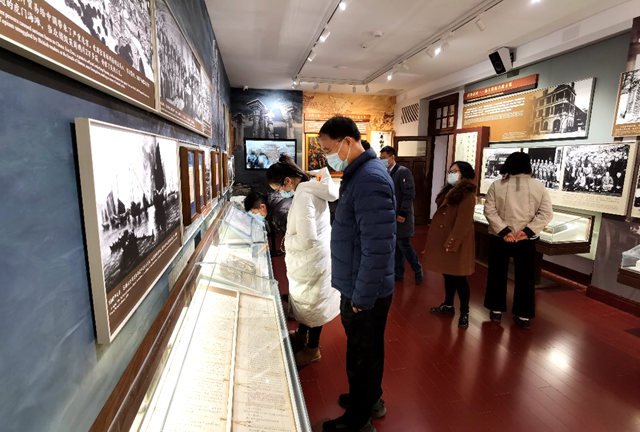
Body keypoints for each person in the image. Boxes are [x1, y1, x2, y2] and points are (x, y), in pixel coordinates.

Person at [319, 117, 396, 432]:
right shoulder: (360, 173)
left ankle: (358, 421)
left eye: (328, 149)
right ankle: (369, 399)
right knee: (367, 349)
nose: (327, 156)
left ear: (347, 142)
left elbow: (377, 248)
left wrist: (362, 297)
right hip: (358, 283)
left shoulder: (369, 179)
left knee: (362, 354)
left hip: (365, 291)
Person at [266, 156, 340, 367]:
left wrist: (287, 241)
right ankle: (302, 334)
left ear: (288, 181)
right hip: (317, 256)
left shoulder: (304, 195)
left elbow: (307, 239)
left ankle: (312, 349)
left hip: (311, 258)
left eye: (279, 189)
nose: (281, 193)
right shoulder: (312, 185)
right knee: (310, 301)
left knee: (312, 304)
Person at [483, 152, 553, 329]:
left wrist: (504, 231)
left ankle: (496, 310)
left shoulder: (497, 185)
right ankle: (523, 315)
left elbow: (489, 210)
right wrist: (527, 232)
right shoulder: (538, 186)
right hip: (525, 239)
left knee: (497, 273)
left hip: (499, 237)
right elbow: (546, 213)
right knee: (526, 277)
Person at [426, 161, 477, 328]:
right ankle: (448, 305)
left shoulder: (467, 195)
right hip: (445, 238)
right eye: (450, 171)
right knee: (448, 274)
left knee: (460, 278)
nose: (451, 174)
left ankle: (464, 312)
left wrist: (452, 243)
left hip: (457, 242)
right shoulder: (449, 190)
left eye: (455, 171)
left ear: (464, 174)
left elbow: (463, 223)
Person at [379, 146, 423, 285]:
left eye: (384, 158)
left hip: (402, 216)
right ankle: (398, 273)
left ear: (392, 157)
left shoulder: (403, 172)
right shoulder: (386, 172)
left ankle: (417, 269)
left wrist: (403, 213)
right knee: (396, 246)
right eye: (380, 158)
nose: (382, 161)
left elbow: (409, 194)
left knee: (404, 244)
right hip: (391, 215)